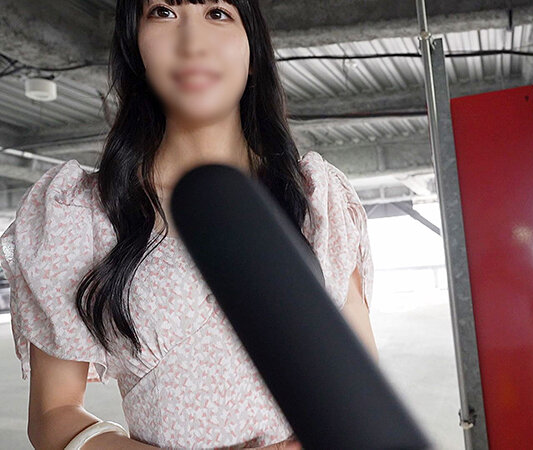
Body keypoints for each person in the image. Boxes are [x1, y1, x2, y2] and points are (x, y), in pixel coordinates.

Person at [0, 0, 377, 448]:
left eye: (218, 12)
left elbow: (363, 396)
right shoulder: (80, 213)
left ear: (252, 51)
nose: (192, 42)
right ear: (135, 47)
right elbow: (53, 413)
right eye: (163, 11)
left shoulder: (316, 198)